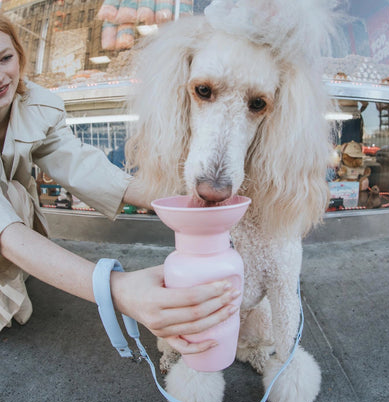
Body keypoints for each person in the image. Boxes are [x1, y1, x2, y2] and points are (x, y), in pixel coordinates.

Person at [0, 14, 239, 354]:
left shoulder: (34, 104)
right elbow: (5, 229)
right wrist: (117, 289)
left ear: (20, 56)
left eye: (5, 59)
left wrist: (185, 199)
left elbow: (79, 165)